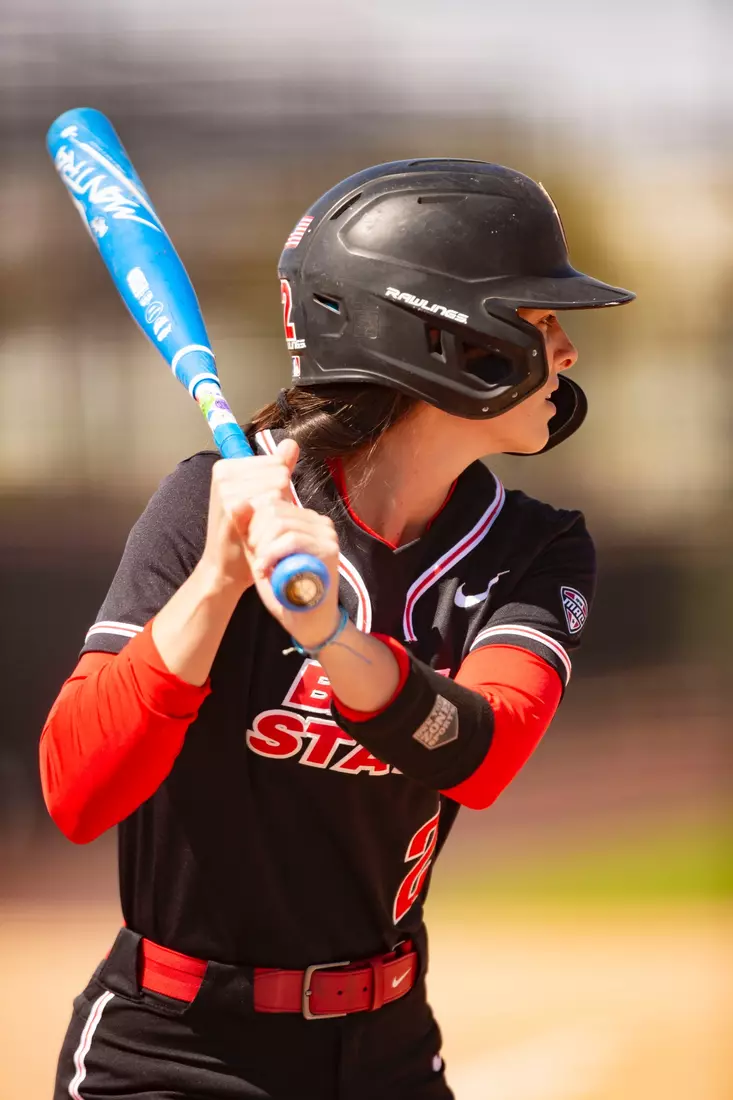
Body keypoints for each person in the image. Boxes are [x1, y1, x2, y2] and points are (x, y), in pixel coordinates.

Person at [40, 159, 634, 1100]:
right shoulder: (210, 504)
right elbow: (76, 790)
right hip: (173, 1051)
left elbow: (480, 752)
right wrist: (213, 585)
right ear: (442, 337)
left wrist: (334, 640)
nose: (563, 350)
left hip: (387, 1048)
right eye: (536, 318)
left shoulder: (533, 550)